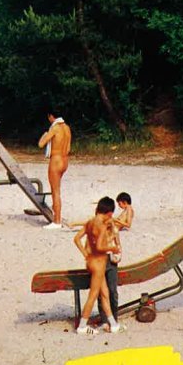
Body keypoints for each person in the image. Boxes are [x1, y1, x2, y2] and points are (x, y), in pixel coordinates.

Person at [73, 196, 122, 336]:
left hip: (91, 261)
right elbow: (100, 247)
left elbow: (76, 239)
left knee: (104, 293)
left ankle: (113, 324)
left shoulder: (90, 222)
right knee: (93, 295)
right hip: (98, 262)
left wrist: (85, 254)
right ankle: (82, 326)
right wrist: (113, 249)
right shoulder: (101, 225)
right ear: (110, 213)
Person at [97, 192, 135, 326]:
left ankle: (113, 320)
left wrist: (118, 253)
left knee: (111, 291)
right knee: (104, 292)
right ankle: (105, 320)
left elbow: (124, 230)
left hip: (110, 258)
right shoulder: (100, 224)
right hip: (101, 259)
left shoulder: (127, 212)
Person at [38, 111, 71, 228]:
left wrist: (45, 134)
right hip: (65, 160)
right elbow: (68, 148)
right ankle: (57, 214)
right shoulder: (67, 128)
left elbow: (41, 144)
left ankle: (57, 221)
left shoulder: (55, 128)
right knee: (57, 190)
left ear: (51, 116)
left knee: (55, 192)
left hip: (56, 160)